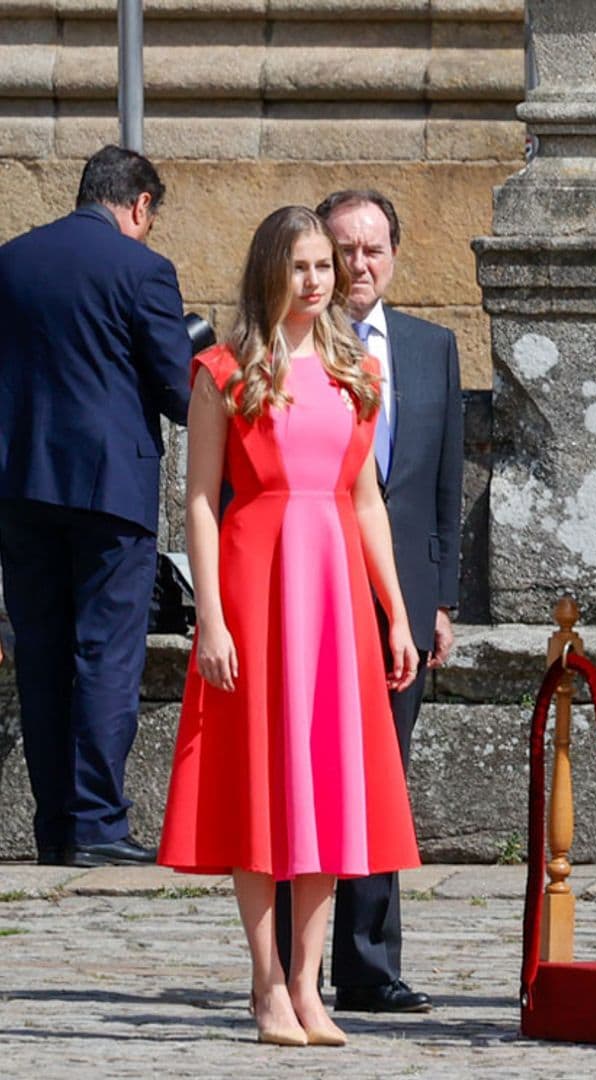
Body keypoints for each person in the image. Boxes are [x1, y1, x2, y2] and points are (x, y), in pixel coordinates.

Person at [157, 206, 421, 1045]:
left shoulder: (358, 376)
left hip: (335, 590)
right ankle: (266, 981)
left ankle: (309, 987)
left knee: (330, 788)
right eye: (302, 265)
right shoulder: (224, 370)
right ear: (270, 270)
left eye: (324, 265)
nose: (318, 280)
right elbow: (200, 498)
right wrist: (212, 618)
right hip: (255, 581)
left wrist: (398, 612)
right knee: (259, 784)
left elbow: (365, 499)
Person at [0, 145, 191, 868]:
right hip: (111, 489)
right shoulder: (143, 269)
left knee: (42, 653)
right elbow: (178, 390)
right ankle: (100, 824)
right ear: (139, 205)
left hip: (20, 483)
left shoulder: (11, 260)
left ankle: (56, 827)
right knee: (106, 655)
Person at [303, 189, 463, 1015]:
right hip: (315, 583)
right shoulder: (296, 348)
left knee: (380, 779)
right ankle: (297, 966)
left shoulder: (432, 348)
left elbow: (443, 485)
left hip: (403, 593)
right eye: (343, 252)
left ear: (394, 254)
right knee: (309, 769)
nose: (360, 267)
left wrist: (439, 600)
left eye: (372, 250)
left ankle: (367, 964)